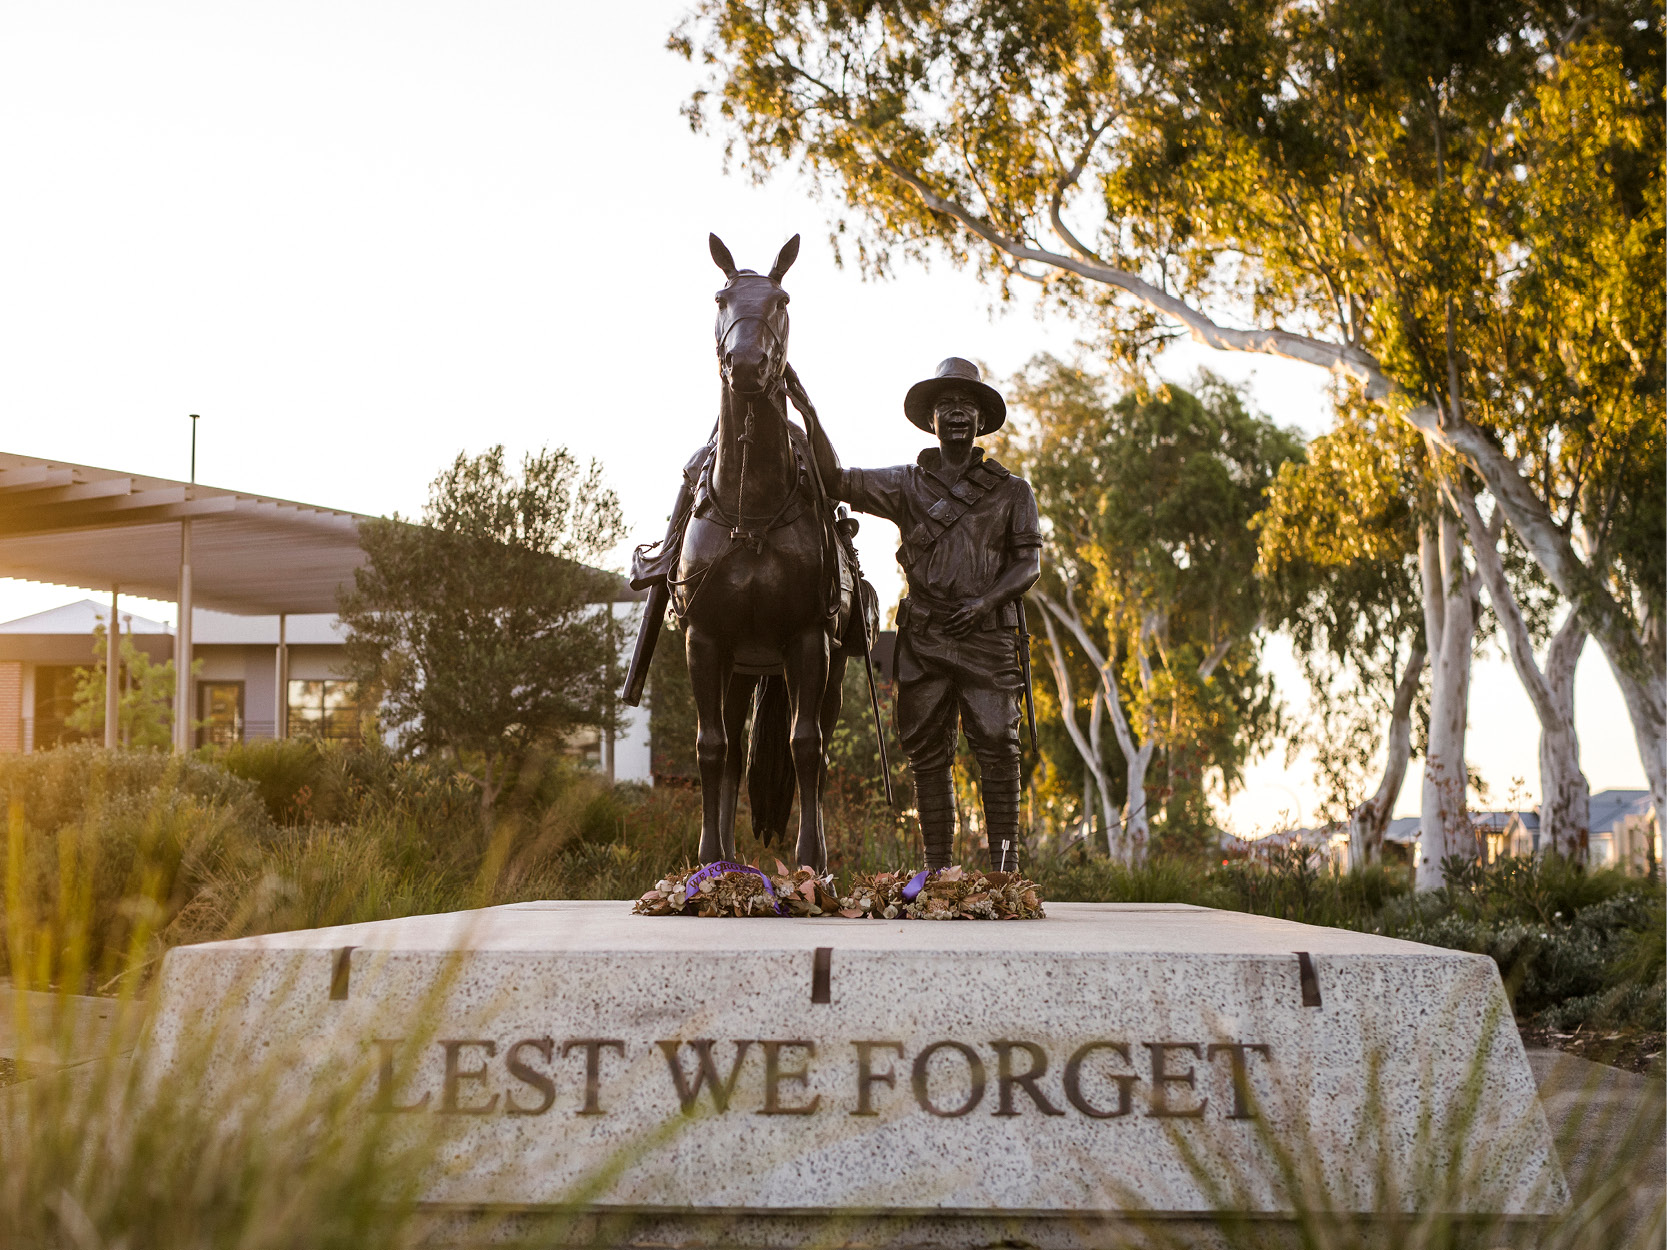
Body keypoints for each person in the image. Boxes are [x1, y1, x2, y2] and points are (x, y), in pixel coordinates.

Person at [799, 357, 1042, 871]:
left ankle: (1005, 869)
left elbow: (1029, 564)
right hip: (925, 636)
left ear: (981, 421)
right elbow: (833, 478)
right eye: (946, 406)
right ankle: (936, 872)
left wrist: (984, 603)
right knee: (927, 752)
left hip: (988, 637)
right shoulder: (904, 484)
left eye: (967, 406)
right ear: (930, 420)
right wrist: (808, 411)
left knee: (999, 744)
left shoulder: (1014, 491)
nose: (956, 414)